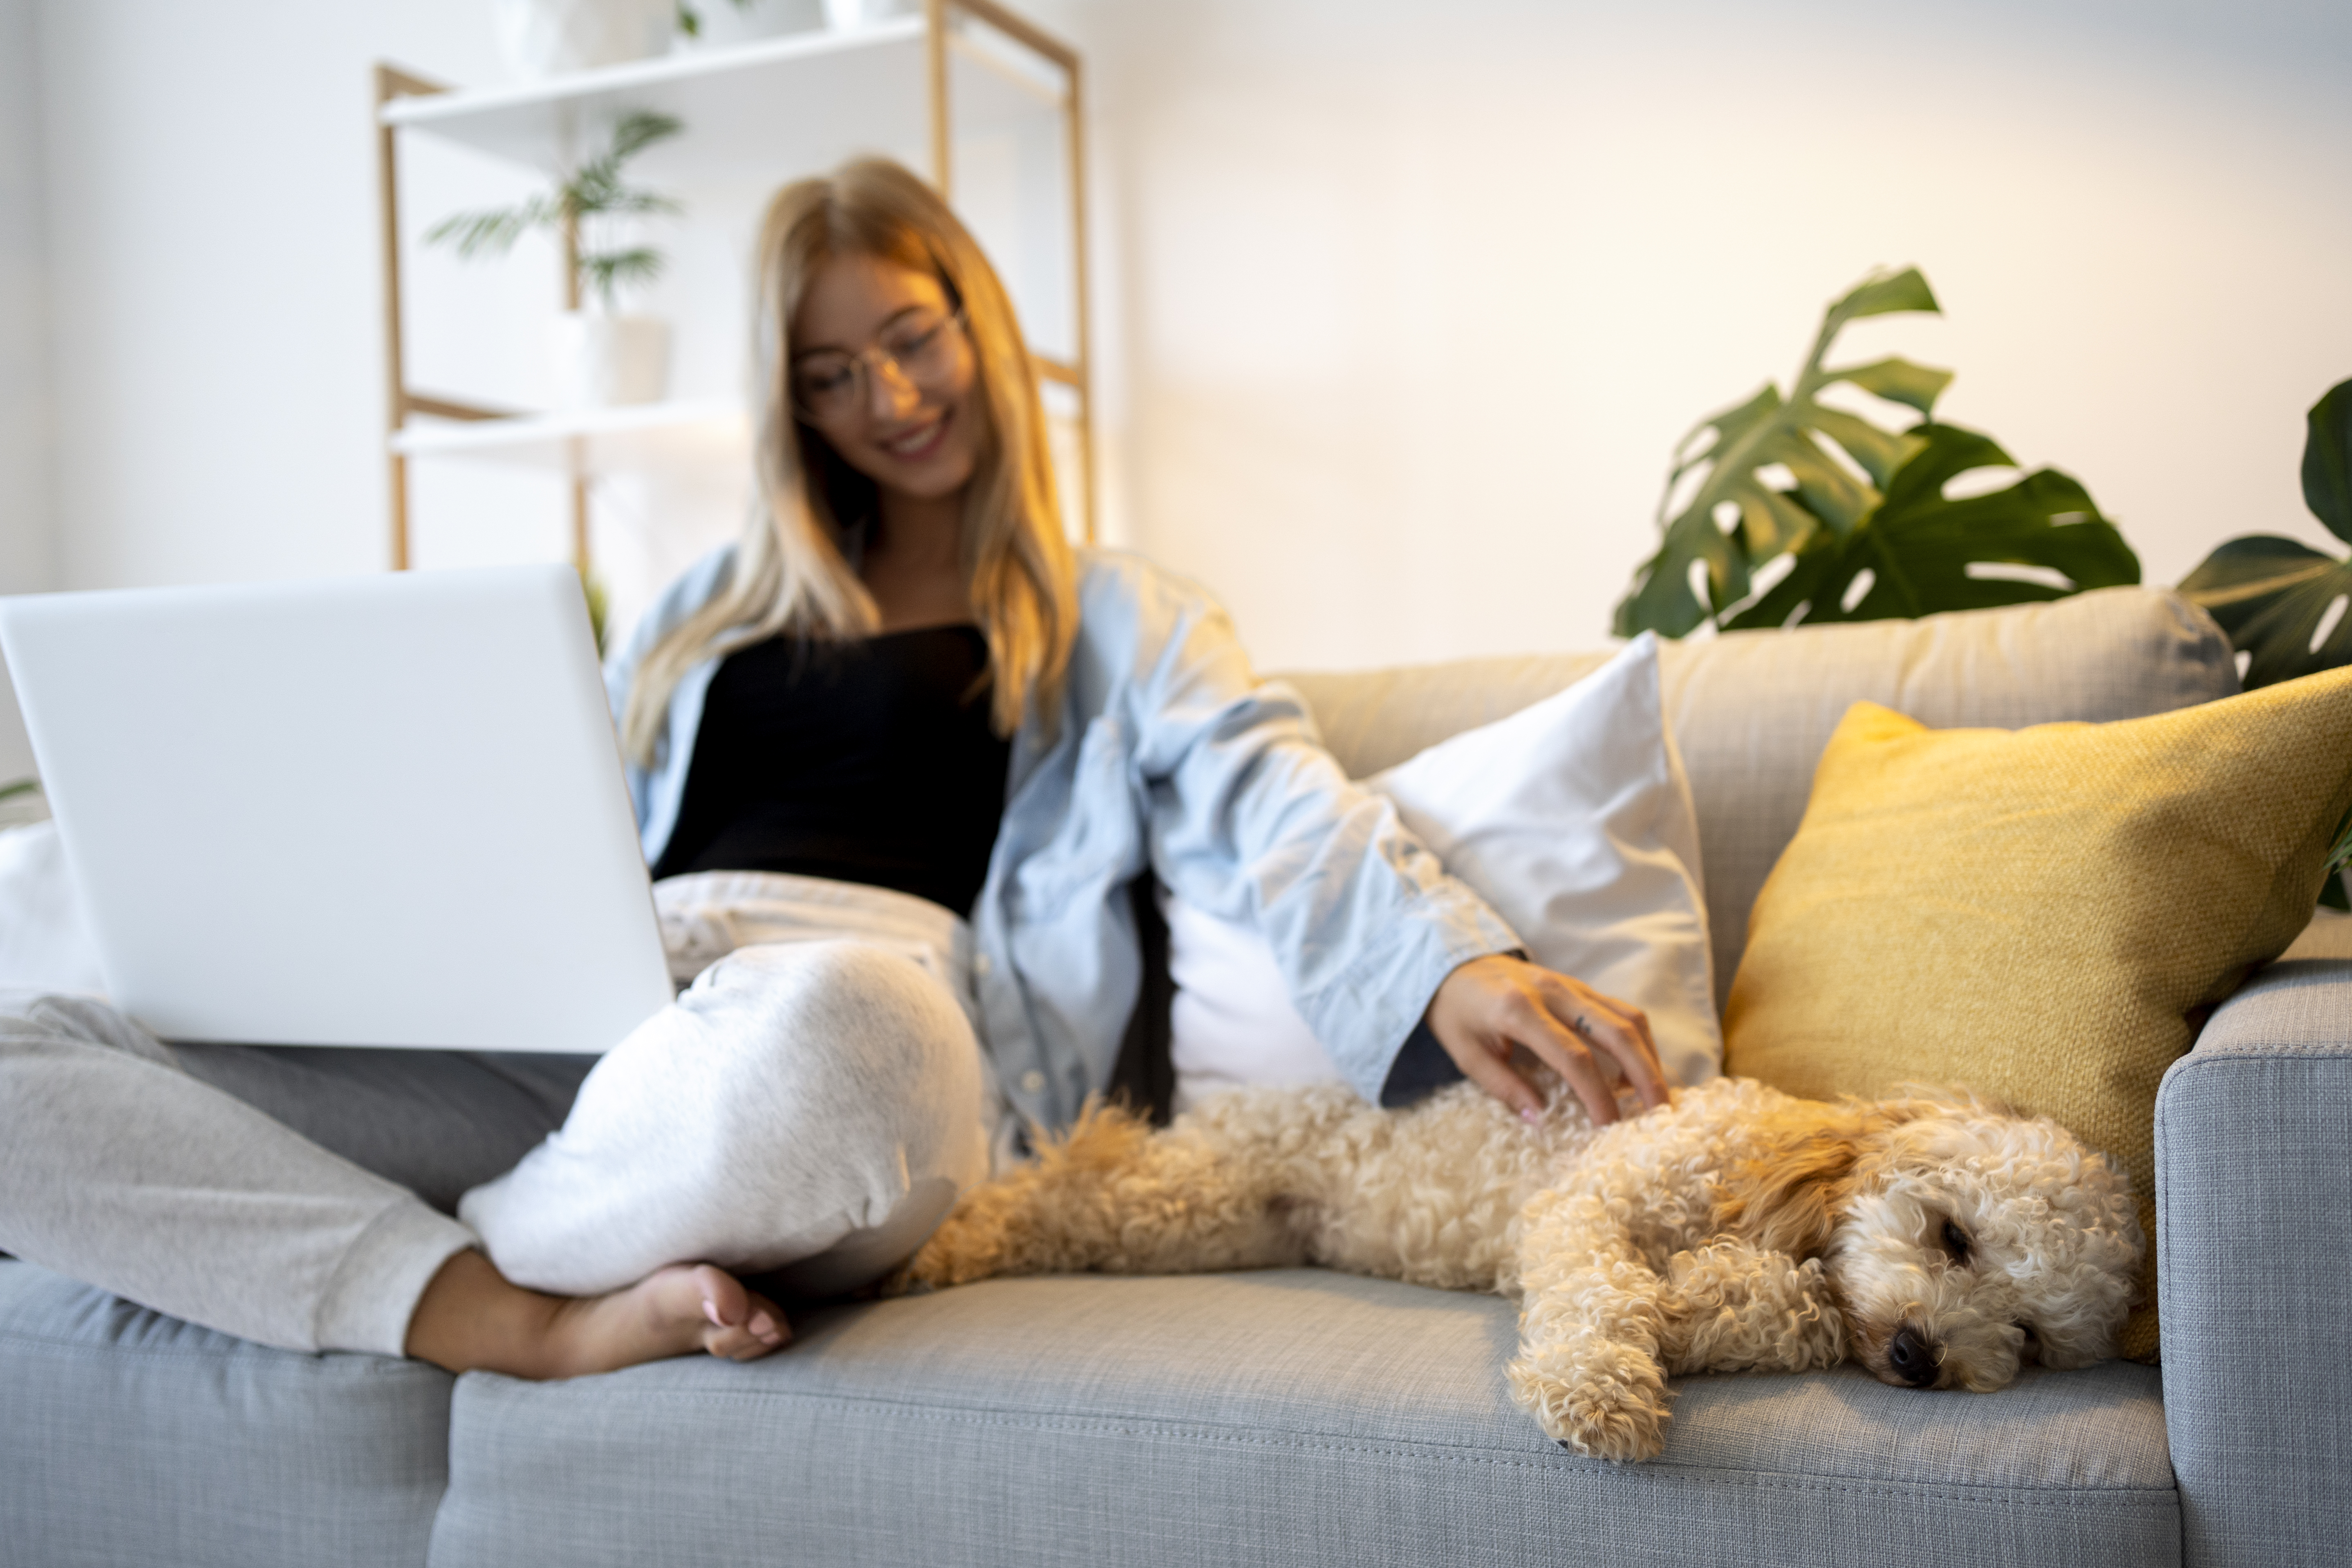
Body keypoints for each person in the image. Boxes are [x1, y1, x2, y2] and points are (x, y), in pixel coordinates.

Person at [0, 158, 1664, 1380]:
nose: (887, 397)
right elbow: (515, 838)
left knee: (844, 1029)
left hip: (854, 1033)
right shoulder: (684, 616)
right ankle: (501, 1304)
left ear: (975, 322)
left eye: (911, 338)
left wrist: (1445, 956)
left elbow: (1269, 790)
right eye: (825, 376)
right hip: (604, 1033)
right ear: (784, 406)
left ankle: (434, 1222)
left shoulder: (1107, 611)